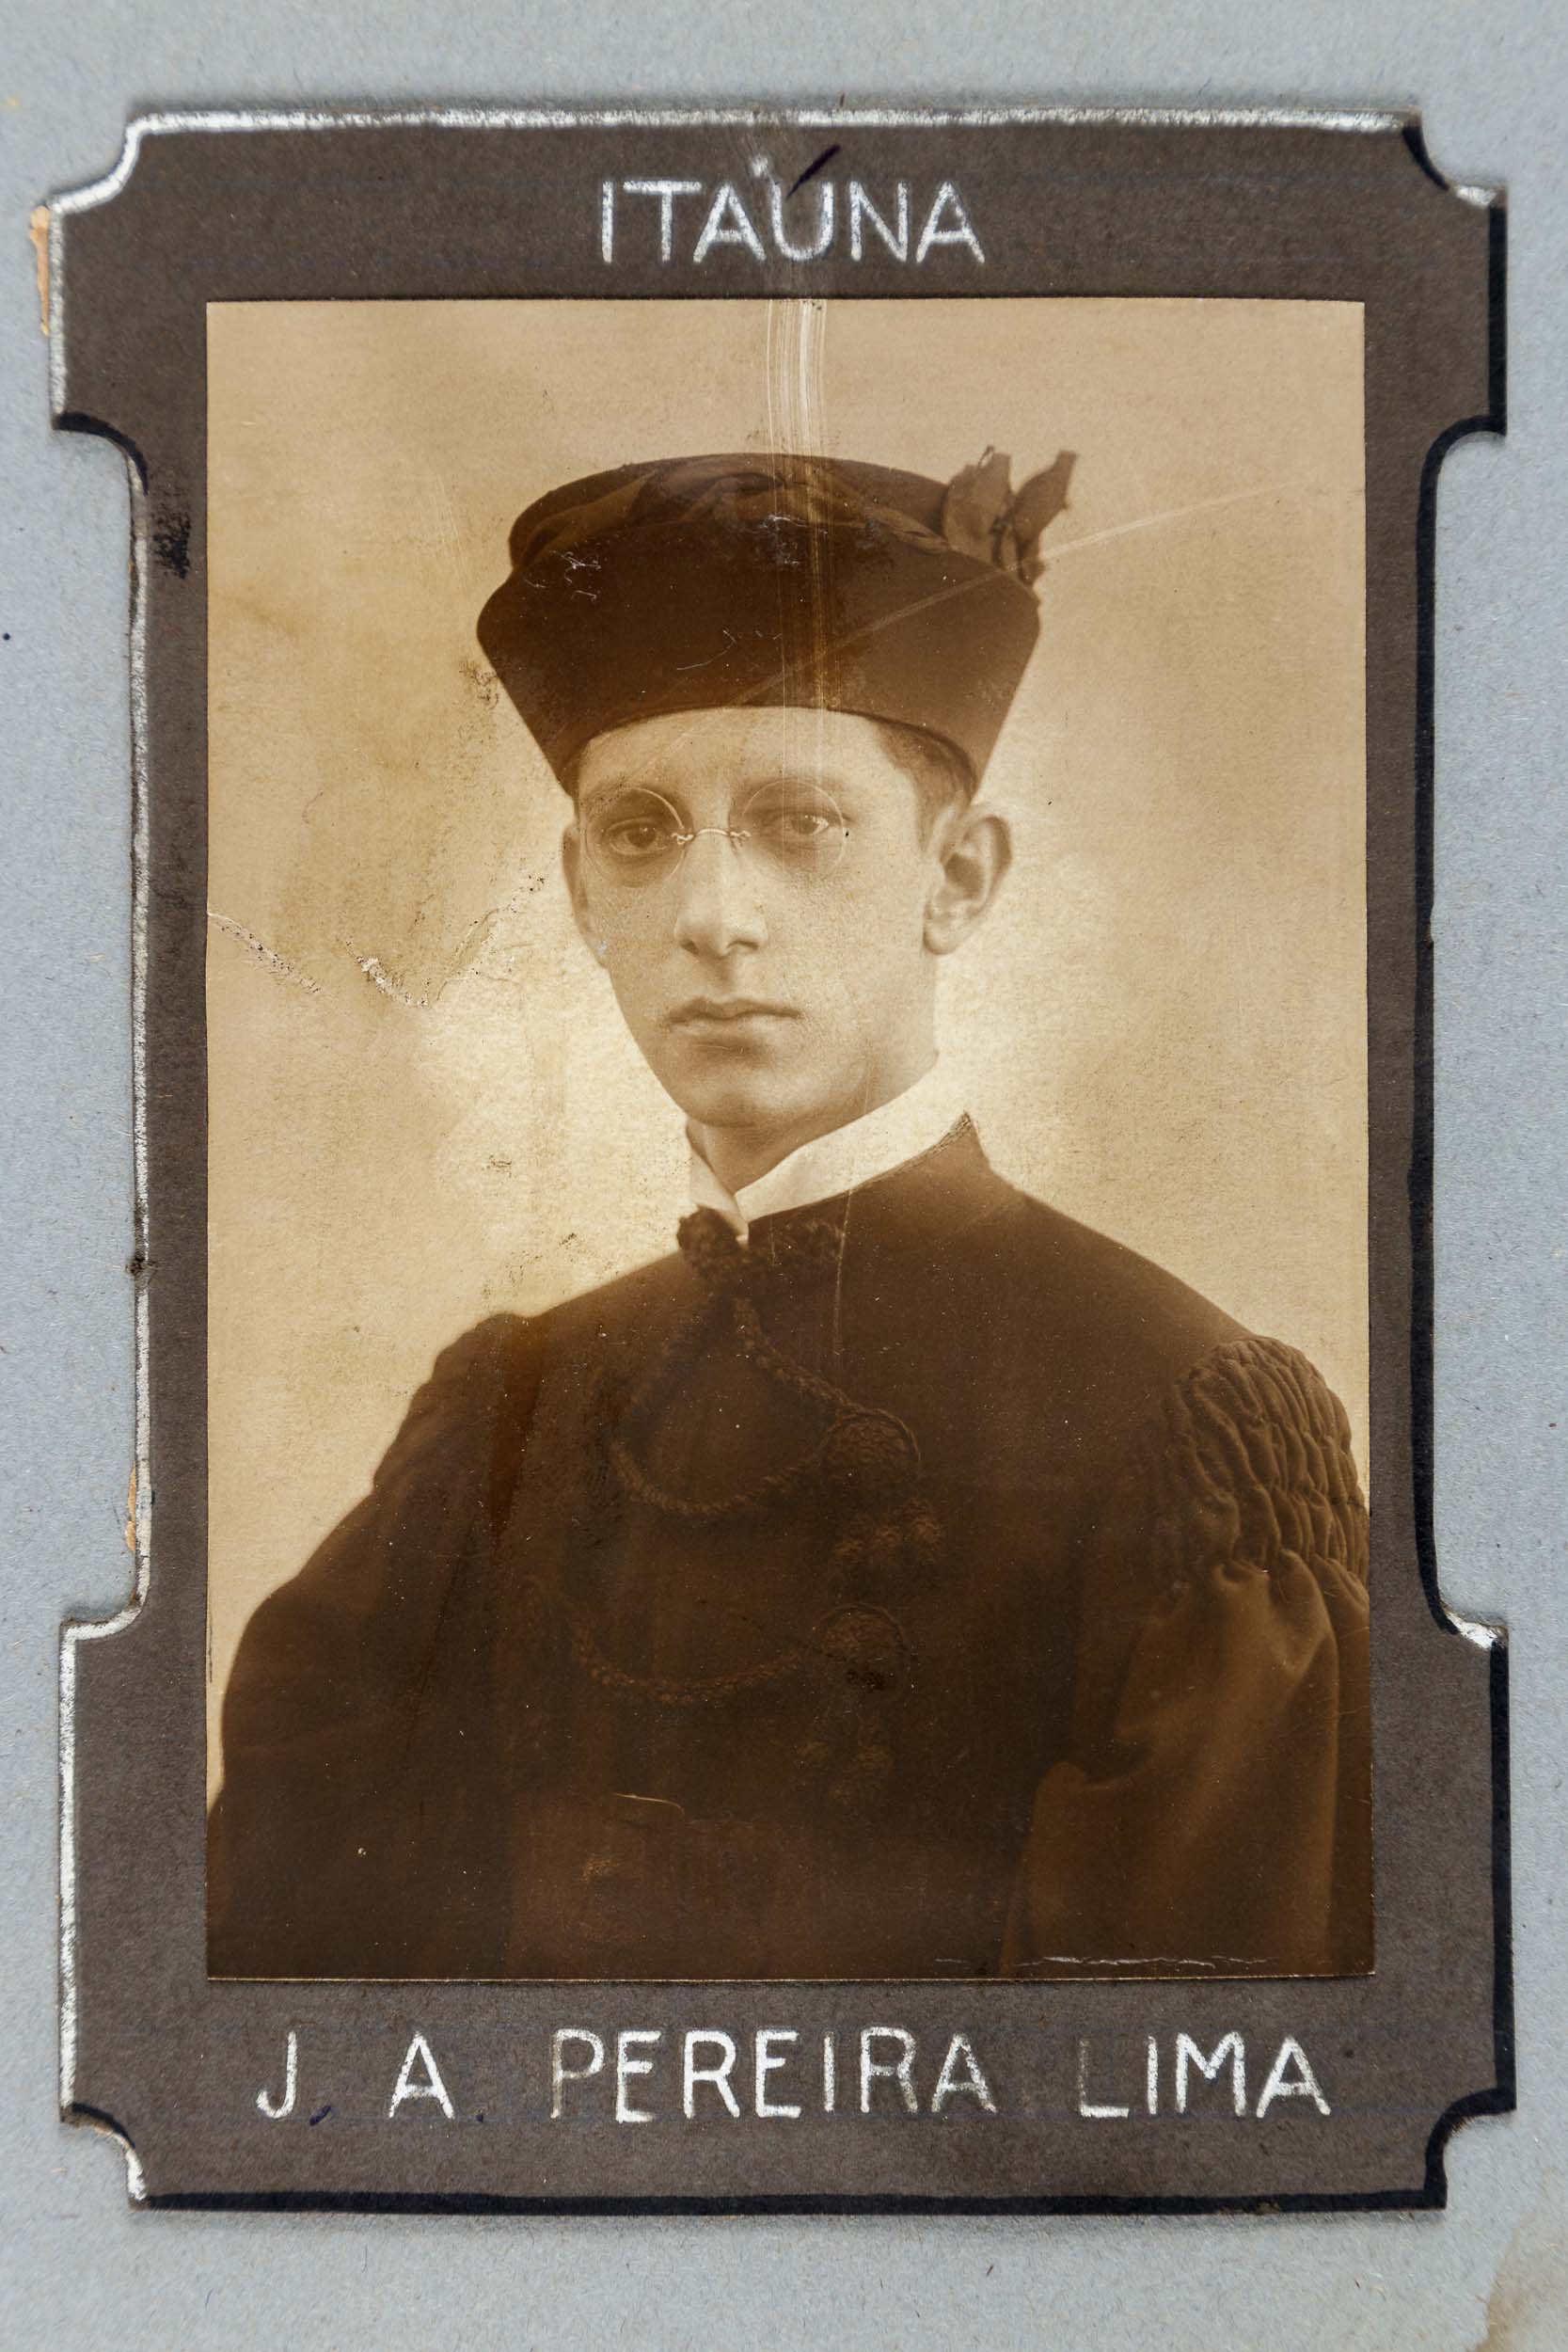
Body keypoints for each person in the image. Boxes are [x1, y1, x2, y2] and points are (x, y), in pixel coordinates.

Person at [208, 451, 1370, 1982]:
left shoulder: (1182, 1419)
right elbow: (282, 1970)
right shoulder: (507, 1410)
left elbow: (1165, 2081)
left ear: (958, 879)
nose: (712, 916)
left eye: (801, 823)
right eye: (641, 832)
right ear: (581, 893)